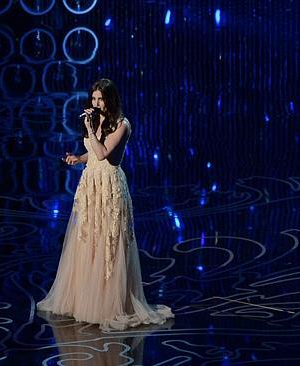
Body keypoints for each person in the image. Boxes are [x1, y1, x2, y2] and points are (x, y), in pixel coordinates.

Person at [37, 78, 173, 331]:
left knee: (109, 241)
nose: (96, 103)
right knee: (89, 238)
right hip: (90, 185)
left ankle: (109, 304)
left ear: (110, 99)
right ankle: (84, 299)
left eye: (101, 99)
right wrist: (78, 158)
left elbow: (103, 154)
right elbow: (92, 153)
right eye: (94, 98)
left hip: (110, 187)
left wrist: (89, 128)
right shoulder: (95, 121)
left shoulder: (122, 124)